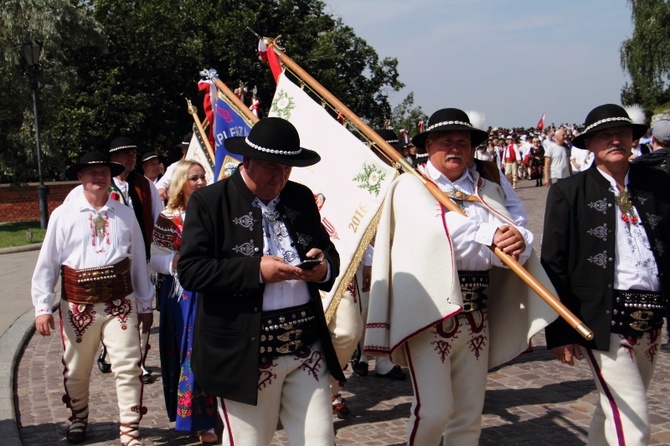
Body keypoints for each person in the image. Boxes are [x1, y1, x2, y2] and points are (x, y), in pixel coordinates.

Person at [364, 108, 555, 446]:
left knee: (468, 414)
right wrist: (492, 234)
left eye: (463, 142)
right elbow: (437, 232)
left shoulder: (488, 187)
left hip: (477, 314)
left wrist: (518, 241)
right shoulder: (411, 184)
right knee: (434, 409)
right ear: (429, 145)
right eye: (446, 141)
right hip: (430, 312)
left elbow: (517, 229)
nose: (455, 148)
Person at [177, 117, 344, 446]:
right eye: (271, 167)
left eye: (287, 168)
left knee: (320, 441)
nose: (279, 177)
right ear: (247, 160)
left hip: (305, 347)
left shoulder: (299, 197)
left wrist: (321, 268)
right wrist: (256, 270)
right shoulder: (210, 202)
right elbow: (192, 271)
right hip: (243, 352)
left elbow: (329, 253)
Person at [542, 104, 670, 445]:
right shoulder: (568, 192)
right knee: (632, 417)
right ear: (590, 144)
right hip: (599, 318)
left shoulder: (657, 185)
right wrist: (559, 329)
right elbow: (553, 263)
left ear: (632, 139)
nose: (615, 140)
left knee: (615, 405)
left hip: (651, 318)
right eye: (604, 135)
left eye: (621, 133)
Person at [31, 151, 154, 445]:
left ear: (110, 176)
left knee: (128, 364)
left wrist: (146, 302)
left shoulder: (124, 214)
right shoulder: (63, 215)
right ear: (80, 177)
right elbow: (48, 263)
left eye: (103, 172)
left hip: (120, 303)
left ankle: (129, 429)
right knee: (76, 368)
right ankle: (78, 418)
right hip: (77, 305)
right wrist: (42, 307)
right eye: (91, 172)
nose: (98, 177)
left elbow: (138, 260)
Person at [150, 160, 218, 444]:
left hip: (213, 290)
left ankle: (220, 412)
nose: (201, 183)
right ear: (181, 183)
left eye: (203, 177)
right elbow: (153, 257)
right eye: (194, 178)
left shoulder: (214, 213)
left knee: (216, 352)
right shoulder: (168, 218)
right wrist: (176, 261)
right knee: (190, 355)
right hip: (183, 296)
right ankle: (199, 421)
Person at [99, 136, 162, 383]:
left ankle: (139, 362)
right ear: (113, 158)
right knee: (113, 310)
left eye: (133, 153)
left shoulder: (145, 185)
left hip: (142, 256)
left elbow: (158, 219)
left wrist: (159, 250)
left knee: (143, 305)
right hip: (113, 260)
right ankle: (109, 350)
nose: (131, 158)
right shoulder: (105, 185)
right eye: (125, 154)